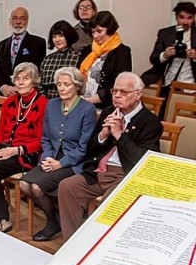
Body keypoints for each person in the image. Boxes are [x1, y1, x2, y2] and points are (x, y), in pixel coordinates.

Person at [58, 72, 162, 241]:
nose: (117, 96)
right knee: (67, 186)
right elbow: (90, 150)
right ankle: (71, 242)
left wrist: (119, 136)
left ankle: (99, 245)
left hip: (124, 175)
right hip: (98, 171)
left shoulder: (150, 122)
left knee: (110, 202)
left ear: (138, 94)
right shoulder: (109, 112)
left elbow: (142, 161)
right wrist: (103, 135)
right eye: (115, 91)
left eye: (124, 92)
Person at [19, 67, 96, 242]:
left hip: (74, 163)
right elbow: (45, 138)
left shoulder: (87, 109)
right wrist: (47, 158)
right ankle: (57, 218)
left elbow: (84, 148)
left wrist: (60, 164)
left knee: (37, 187)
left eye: (66, 84)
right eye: (59, 84)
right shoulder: (52, 105)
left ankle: (52, 223)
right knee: (24, 184)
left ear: (77, 86)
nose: (61, 88)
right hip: (51, 157)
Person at [0, 63, 47, 232]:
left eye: (25, 79)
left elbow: (42, 140)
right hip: (5, 148)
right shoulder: (10, 102)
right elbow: (1, 130)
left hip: (25, 154)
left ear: (34, 81)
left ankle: (2, 219)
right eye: (18, 79)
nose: (20, 82)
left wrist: (14, 150)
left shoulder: (43, 104)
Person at [141, 1, 196, 117]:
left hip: (191, 86)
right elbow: (154, 58)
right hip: (167, 84)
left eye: (189, 18)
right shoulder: (166, 33)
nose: (185, 22)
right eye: (182, 17)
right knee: (161, 116)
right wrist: (165, 54)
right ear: (176, 17)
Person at [79, 10, 132, 109]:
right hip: (82, 102)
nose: (95, 36)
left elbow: (120, 82)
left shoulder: (122, 51)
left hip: (106, 105)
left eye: (99, 31)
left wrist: (92, 100)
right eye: (93, 32)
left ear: (110, 29)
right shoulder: (87, 50)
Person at [0, 7, 47, 96]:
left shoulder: (38, 43)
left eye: (22, 18)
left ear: (27, 21)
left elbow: (38, 70)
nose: (18, 22)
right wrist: (3, 87)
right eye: (15, 18)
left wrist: (22, 87)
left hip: (28, 94)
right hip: (7, 95)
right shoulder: (2, 44)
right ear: (10, 21)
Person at [39, 20, 81, 99]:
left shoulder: (78, 57)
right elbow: (40, 84)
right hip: (48, 102)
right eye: (54, 37)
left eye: (61, 36)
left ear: (68, 36)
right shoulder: (47, 59)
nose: (57, 40)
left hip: (71, 101)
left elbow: (80, 84)